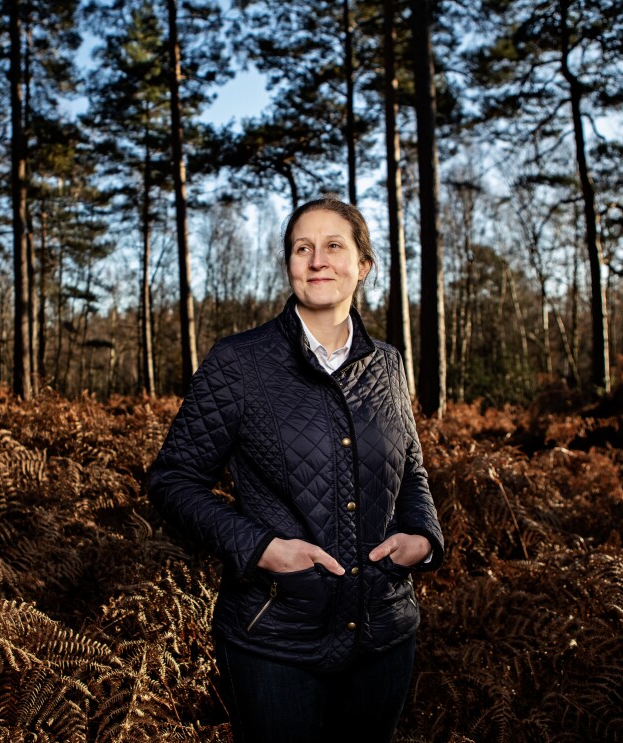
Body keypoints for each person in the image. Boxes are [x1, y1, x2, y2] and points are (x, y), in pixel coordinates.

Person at [148, 196, 444, 742]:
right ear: (288, 265)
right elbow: (172, 480)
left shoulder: (388, 364)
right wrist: (260, 547)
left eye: (334, 246)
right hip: (273, 640)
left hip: (385, 634)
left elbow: (412, 469)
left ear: (364, 265)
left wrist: (424, 537)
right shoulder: (239, 363)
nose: (317, 261)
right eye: (302, 248)